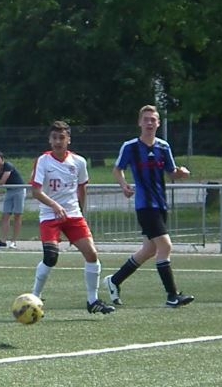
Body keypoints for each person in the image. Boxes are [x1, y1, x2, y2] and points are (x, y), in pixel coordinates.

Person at [105, 105, 195, 308]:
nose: (149, 123)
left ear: (158, 123)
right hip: (145, 205)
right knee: (165, 246)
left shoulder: (163, 146)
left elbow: (171, 172)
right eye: (145, 119)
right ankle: (172, 296)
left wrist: (182, 173)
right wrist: (124, 185)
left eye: (153, 120)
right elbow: (117, 169)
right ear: (139, 122)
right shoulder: (130, 146)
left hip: (161, 204)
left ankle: (114, 280)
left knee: (149, 249)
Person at [29, 121, 115, 315]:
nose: (58, 142)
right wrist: (55, 205)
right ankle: (35, 296)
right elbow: (36, 192)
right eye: (54, 138)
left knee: (91, 254)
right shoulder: (43, 161)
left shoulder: (79, 162)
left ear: (69, 139)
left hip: (73, 215)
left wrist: (81, 212)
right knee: (51, 257)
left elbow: (82, 187)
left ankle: (92, 300)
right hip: (50, 215)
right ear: (49, 140)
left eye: (62, 137)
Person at [0, 151, 25, 249]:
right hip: (9, 191)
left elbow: (2, 182)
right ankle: (2, 241)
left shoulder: (8, 166)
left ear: (2, 160)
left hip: (19, 190)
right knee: (5, 216)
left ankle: (13, 242)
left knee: (17, 215)